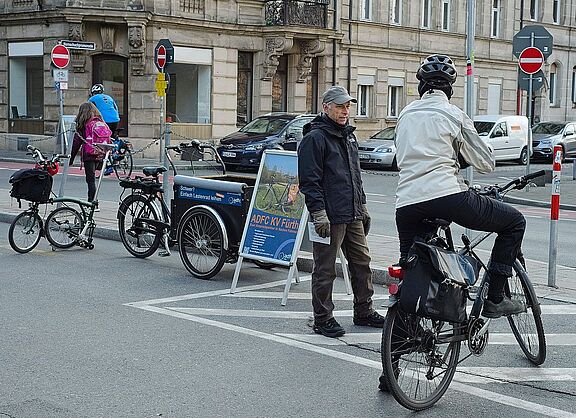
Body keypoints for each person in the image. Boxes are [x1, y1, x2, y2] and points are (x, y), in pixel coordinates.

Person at [394, 54, 526, 319]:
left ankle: (400, 338)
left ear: (421, 87)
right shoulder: (454, 114)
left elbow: (401, 157)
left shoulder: (405, 114)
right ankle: (495, 299)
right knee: (514, 222)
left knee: (410, 267)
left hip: (406, 203)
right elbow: (485, 162)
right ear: (450, 89)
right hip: (447, 195)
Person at [298, 85, 384, 338]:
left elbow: (355, 176)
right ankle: (323, 318)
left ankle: (364, 311)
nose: (345, 110)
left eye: (348, 106)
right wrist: (318, 213)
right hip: (330, 215)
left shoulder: (348, 136)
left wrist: (363, 206)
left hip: (352, 212)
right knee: (325, 269)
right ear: (326, 107)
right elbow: (309, 181)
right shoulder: (315, 138)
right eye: (340, 106)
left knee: (362, 263)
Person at [69, 102, 109, 202]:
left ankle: (92, 202)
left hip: (90, 154)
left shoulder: (84, 124)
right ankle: (93, 201)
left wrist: (71, 158)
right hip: (101, 153)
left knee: (90, 180)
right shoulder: (100, 121)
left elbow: (76, 143)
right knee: (94, 179)